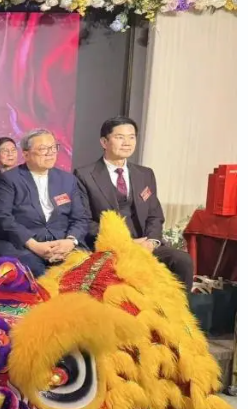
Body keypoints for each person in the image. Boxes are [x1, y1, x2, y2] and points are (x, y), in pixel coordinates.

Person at [75, 116, 193, 291]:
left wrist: (151, 242)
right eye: (120, 137)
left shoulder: (145, 174)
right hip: (110, 248)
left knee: (182, 260)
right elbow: (85, 221)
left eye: (132, 137)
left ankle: (179, 308)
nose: (127, 143)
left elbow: (154, 215)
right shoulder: (84, 175)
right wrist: (125, 243)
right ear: (104, 142)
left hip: (145, 244)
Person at [0, 129, 90, 277]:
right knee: (36, 274)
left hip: (63, 243)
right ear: (26, 154)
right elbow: (3, 218)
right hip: (23, 245)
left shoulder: (68, 180)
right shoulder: (9, 179)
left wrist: (70, 241)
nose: (50, 153)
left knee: (86, 273)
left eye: (53, 147)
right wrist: (34, 245)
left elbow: (80, 217)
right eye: (43, 149)